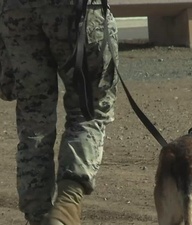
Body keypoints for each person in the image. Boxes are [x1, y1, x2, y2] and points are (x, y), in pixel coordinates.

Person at [0, 1, 119, 224]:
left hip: (17, 10)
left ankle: (38, 216)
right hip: (75, 10)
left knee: (33, 117)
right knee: (88, 110)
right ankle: (66, 208)